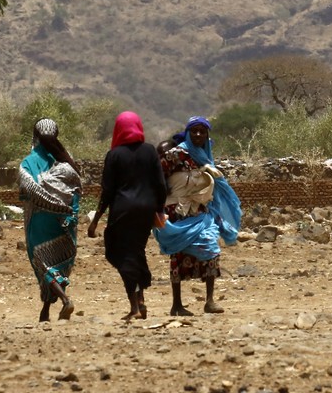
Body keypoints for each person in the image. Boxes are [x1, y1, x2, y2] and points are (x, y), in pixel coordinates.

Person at [156, 116, 241, 316]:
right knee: (177, 254)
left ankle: (210, 301)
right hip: (178, 212)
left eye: (202, 131)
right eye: (194, 131)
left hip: (201, 211)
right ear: (187, 133)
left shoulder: (205, 155)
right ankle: (176, 304)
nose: (198, 135)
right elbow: (158, 173)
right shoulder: (177, 154)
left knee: (211, 247)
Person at [87, 112, 168, 320]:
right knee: (137, 251)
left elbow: (107, 191)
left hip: (122, 210)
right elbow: (160, 184)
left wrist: (96, 220)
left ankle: (134, 306)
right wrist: (159, 210)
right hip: (145, 211)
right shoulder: (150, 151)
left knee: (120, 254)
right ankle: (141, 298)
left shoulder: (114, 155)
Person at [18, 118, 82, 323]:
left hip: (39, 222)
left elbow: (27, 190)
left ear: (35, 136)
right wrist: (70, 213)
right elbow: (77, 190)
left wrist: (44, 200)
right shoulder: (67, 161)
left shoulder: (27, 163)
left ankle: (64, 300)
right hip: (64, 221)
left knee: (43, 263)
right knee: (59, 263)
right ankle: (45, 309)